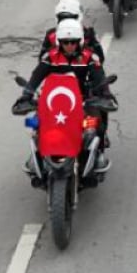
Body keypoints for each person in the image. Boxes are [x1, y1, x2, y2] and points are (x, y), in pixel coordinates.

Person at [15, 19, 113, 173]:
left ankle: (98, 153)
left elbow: (100, 77)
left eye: (73, 42)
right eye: (65, 42)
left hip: (82, 102)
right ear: (59, 42)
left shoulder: (89, 57)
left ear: (79, 41)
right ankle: (37, 156)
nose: (69, 45)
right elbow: (36, 77)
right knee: (34, 124)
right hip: (53, 103)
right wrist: (26, 95)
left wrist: (106, 94)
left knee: (96, 123)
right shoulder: (50, 57)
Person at [36, 0, 105, 65]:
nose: (67, 21)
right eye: (62, 18)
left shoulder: (89, 34)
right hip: (58, 72)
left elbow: (100, 59)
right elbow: (42, 59)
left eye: (70, 17)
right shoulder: (51, 35)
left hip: (81, 72)